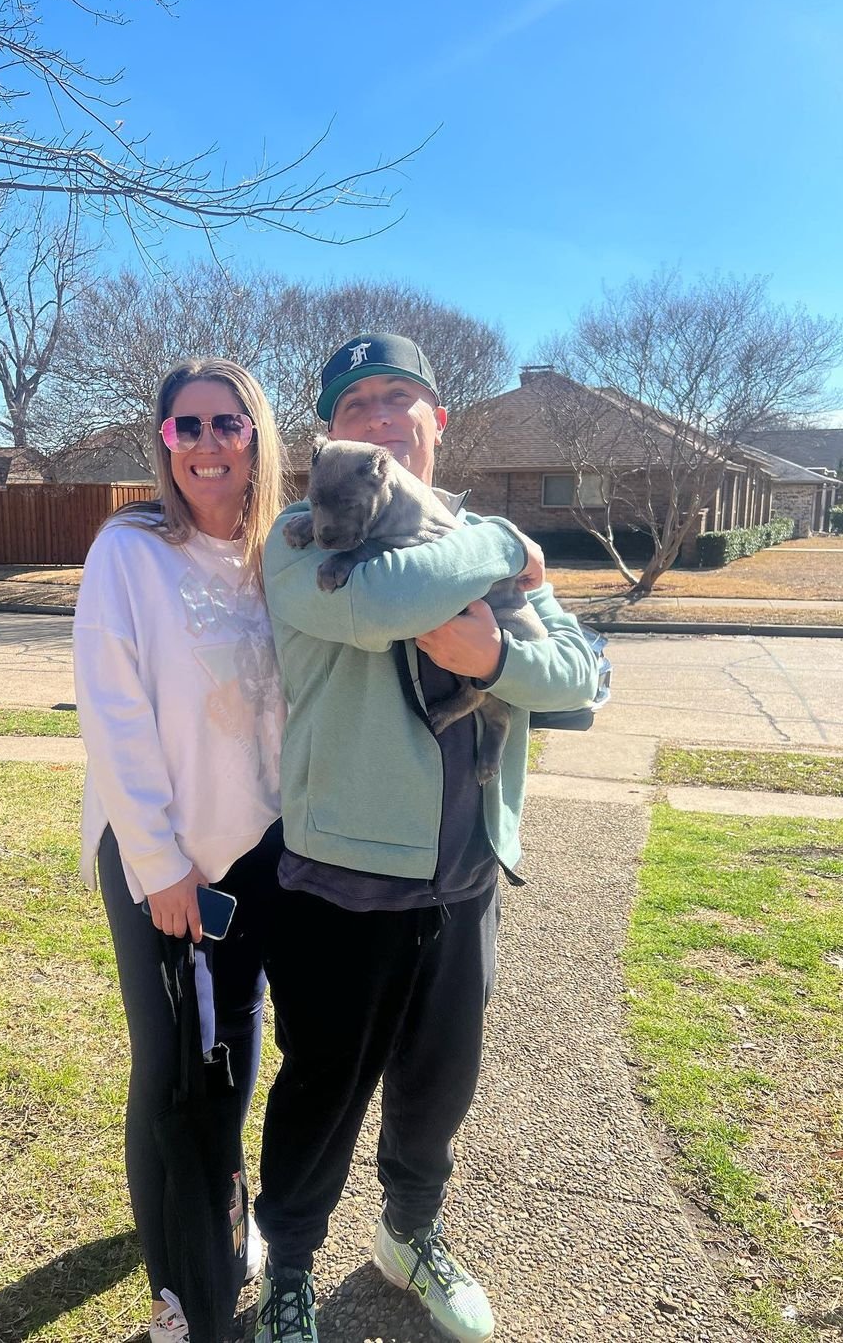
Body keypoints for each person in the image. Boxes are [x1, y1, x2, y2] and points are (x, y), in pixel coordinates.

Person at [253, 333, 599, 1343]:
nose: (381, 417)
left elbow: (584, 678)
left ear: (436, 420)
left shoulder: (468, 530)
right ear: (331, 434)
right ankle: (291, 1268)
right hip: (340, 882)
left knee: (437, 1090)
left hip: (465, 880)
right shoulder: (304, 535)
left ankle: (410, 1236)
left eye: (400, 396)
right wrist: (502, 552)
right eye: (355, 404)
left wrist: (495, 652)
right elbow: (386, 606)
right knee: (319, 1095)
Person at [73, 359, 286, 1343]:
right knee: (170, 1071)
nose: (205, 443)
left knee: (231, 1059)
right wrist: (158, 864)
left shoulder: (275, 557)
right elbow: (112, 711)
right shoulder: (129, 549)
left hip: (256, 853)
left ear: (256, 438)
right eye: (184, 427)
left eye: (226, 425)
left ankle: (220, 1221)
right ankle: (176, 1290)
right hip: (161, 858)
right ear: (163, 443)